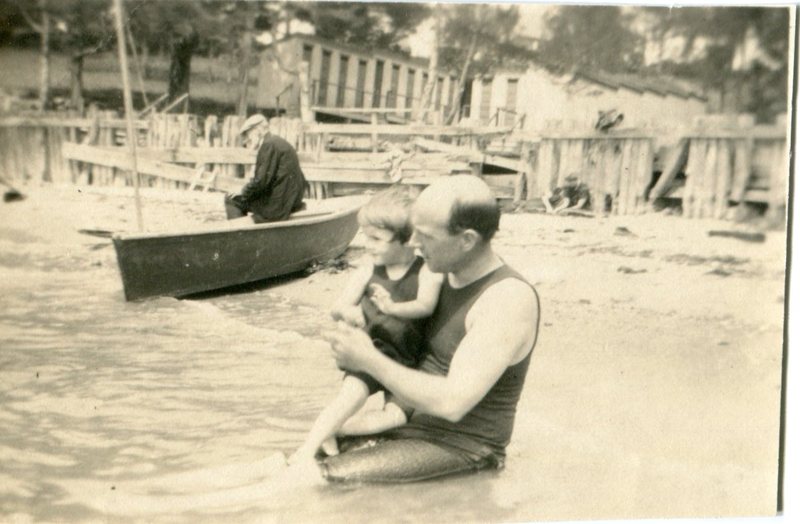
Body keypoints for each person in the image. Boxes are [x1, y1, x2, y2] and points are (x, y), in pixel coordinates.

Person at [316, 175, 540, 483]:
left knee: (319, 481)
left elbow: (453, 403)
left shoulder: (506, 298)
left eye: (425, 236)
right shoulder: (438, 278)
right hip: (406, 426)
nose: (413, 244)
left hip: (461, 447)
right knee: (297, 460)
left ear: (467, 240)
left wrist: (368, 359)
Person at [289, 186, 444, 464]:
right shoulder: (368, 271)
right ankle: (306, 451)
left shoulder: (427, 272)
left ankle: (337, 430)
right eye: (366, 236)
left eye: (377, 239)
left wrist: (392, 307)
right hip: (370, 350)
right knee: (350, 399)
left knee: (394, 417)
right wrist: (350, 313)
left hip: (408, 361)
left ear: (408, 240)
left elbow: (427, 306)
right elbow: (337, 307)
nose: (367, 245)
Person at [224, 114, 307, 223]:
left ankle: (240, 235)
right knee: (245, 196)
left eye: (248, 134)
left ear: (258, 130)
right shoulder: (277, 141)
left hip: (279, 203)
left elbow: (261, 182)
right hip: (291, 198)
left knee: (231, 199)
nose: (247, 140)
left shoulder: (268, 145)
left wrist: (242, 191)